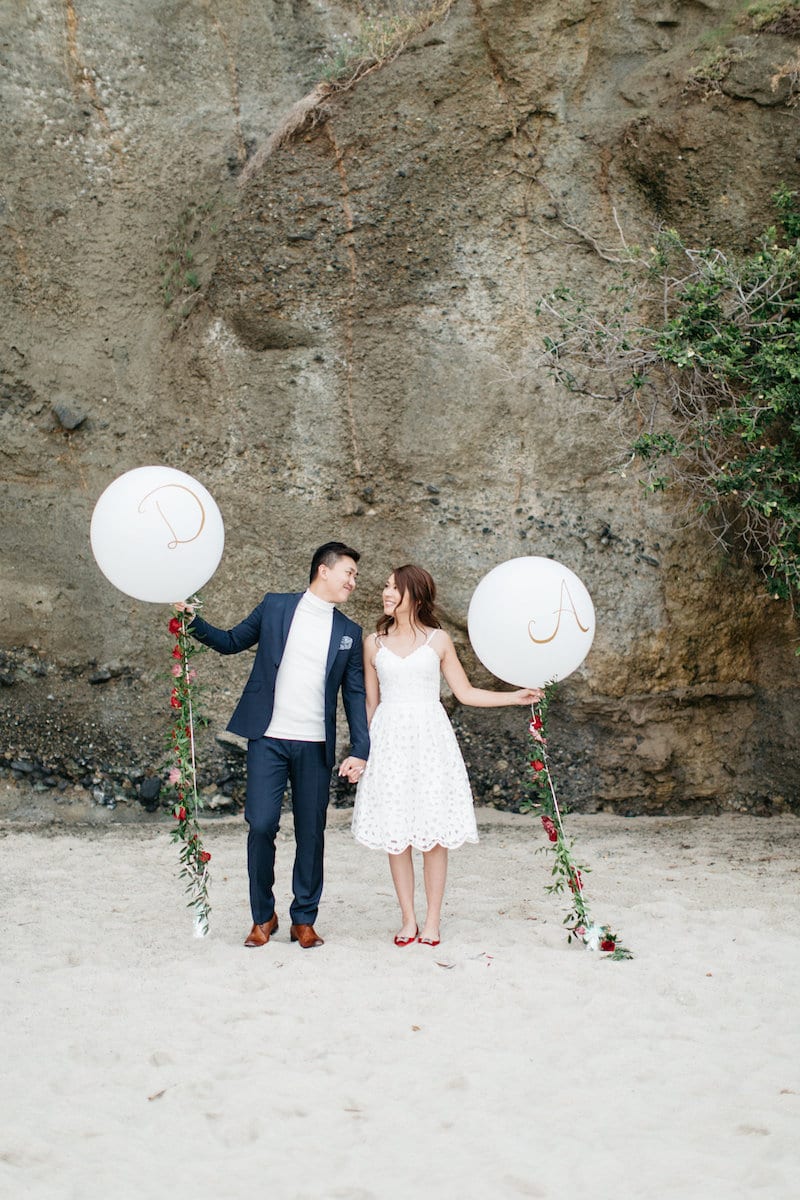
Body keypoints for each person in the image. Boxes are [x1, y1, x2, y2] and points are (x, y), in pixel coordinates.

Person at [181, 542, 369, 950]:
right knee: (261, 824)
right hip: (268, 738)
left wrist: (361, 748)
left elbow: (354, 696)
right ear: (324, 569)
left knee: (311, 833)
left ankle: (305, 918)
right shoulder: (275, 606)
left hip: (315, 745)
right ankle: (263, 916)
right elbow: (231, 641)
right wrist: (190, 620)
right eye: (349, 573)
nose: (354, 582)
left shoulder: (350, 634)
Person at [351, 565, 540, 947]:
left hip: (430, 740)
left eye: (393, 588)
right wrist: (364, 754)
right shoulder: (373, 641)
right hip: (389, 739)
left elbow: (466, 692)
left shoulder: (439, 640)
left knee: (433, 834)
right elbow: (370, 704)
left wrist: (513, 696)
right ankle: (408, 919)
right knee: (396, 835)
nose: (386, 593)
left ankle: (432, 921)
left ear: (415, 596)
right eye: (386, 587)